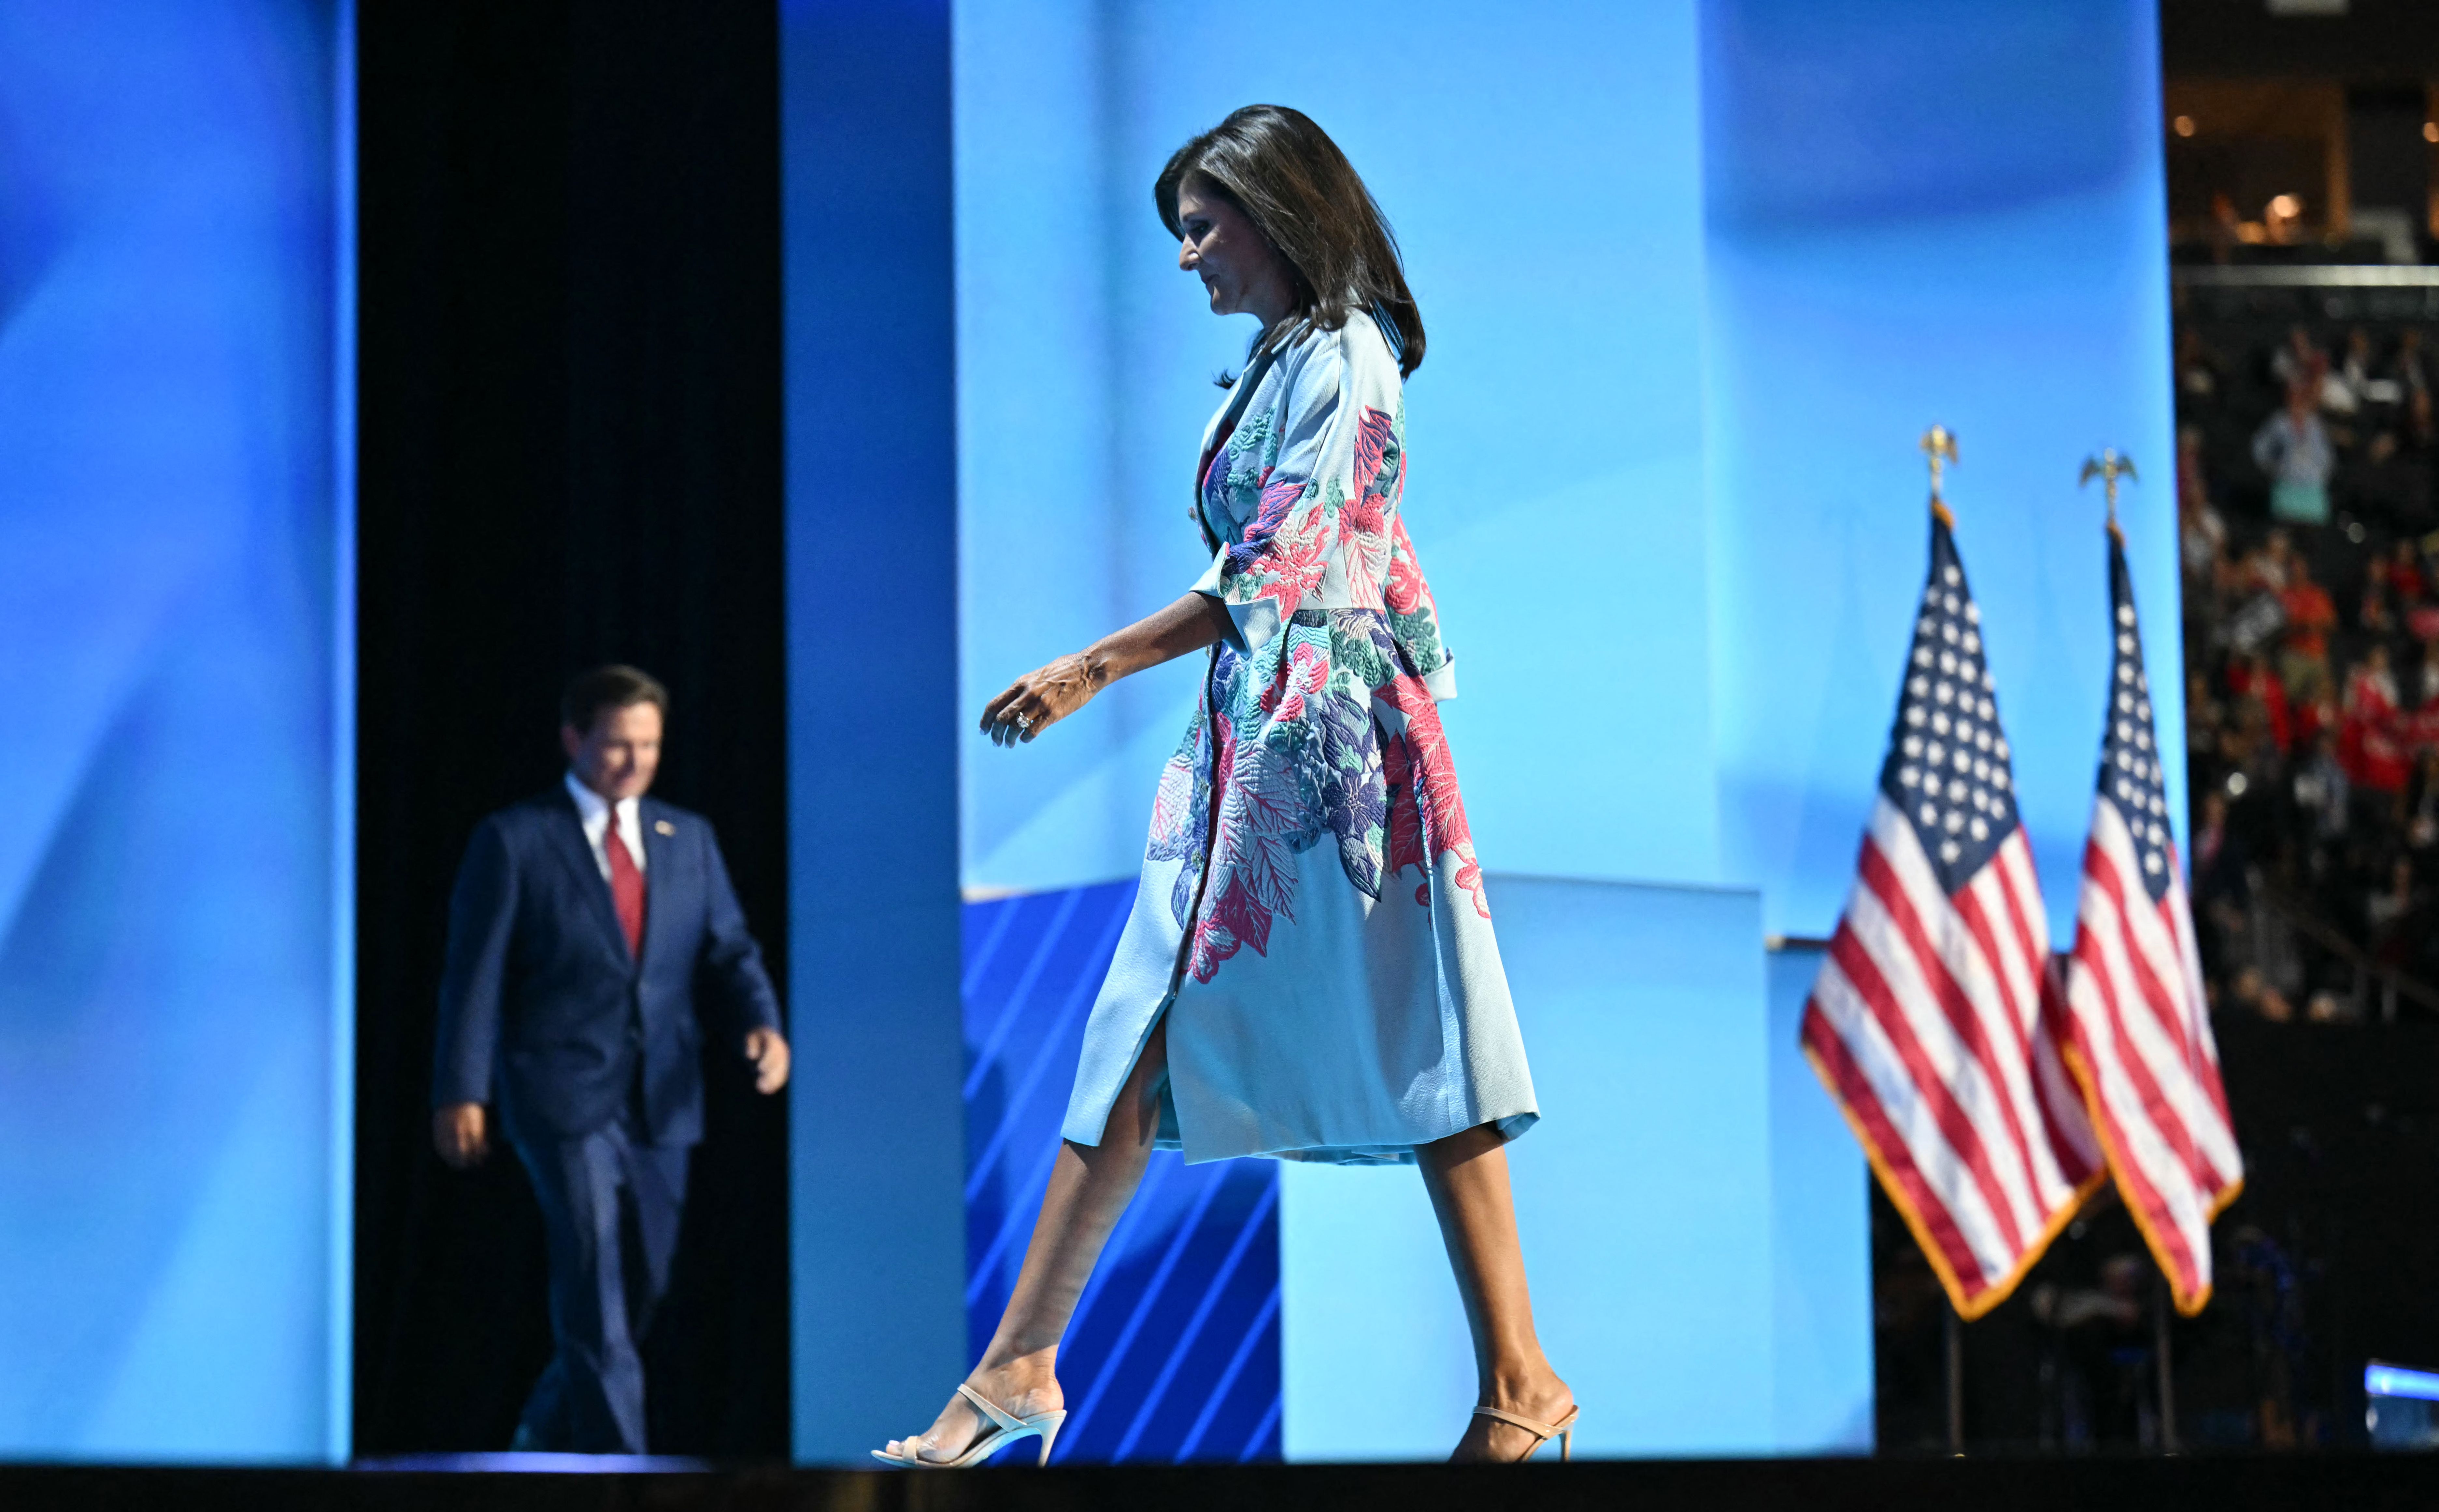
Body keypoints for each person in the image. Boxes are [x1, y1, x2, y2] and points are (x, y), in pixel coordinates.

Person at [874, 105, 1570, 1469]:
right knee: (1140, 1023)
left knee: (1425, 1030)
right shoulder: (1278, 360)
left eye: (1204, 225)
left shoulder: (1354, 356)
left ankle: (1523, 1375)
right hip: (1258, 731)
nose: (1188, 256)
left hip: (1340, 748)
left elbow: (1287, 560)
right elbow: (1268, 564)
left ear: (1278, 211)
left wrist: (1095, 663)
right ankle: (1020, 1360)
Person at [430, 664, 792, 1453]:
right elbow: (474, 974)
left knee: (640, 1288)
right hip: (559, 1095)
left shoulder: (685, 837)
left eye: (649, 747)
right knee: (594, 1289)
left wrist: (762, 1024)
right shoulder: (516, 839)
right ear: (574, 738)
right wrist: (461, 1089)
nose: (634, 763)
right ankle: (623, 1476)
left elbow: (729, 948)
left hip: (664, 1096)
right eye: (618, 745)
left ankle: (541, 1429)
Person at [2254, 374, 2335, 526]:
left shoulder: (2315, 424)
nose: (2297, 401)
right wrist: (2274, 469)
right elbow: (2260, 450)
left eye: (2301, 396)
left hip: (2312, 491)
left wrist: (2320, 476)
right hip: (2286, 489)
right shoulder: (2279, 422)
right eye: (2294, 396)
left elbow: (2327, 457)